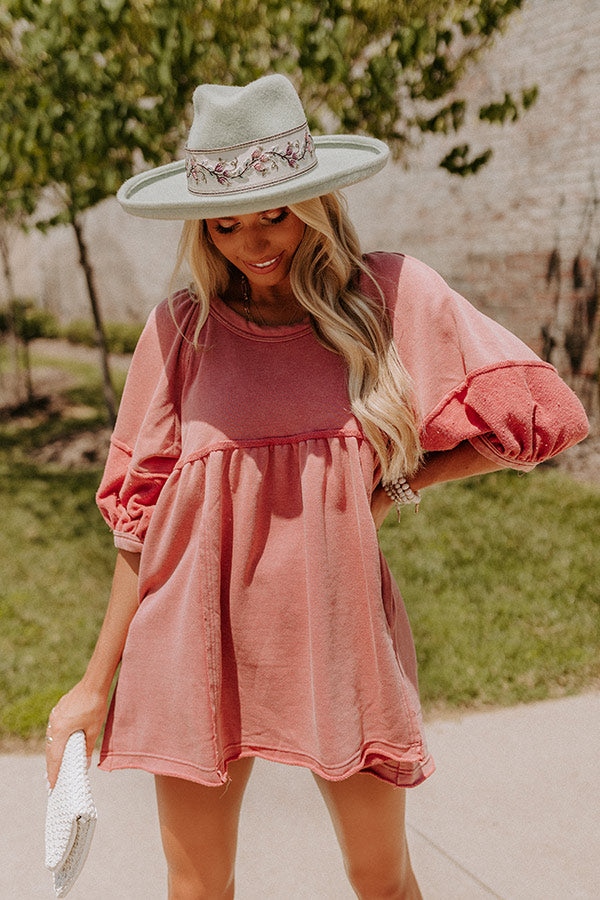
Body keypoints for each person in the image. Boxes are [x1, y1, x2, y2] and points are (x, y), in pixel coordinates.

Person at [45, 74, 589, 900]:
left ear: (316, 202)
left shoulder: (388, 297)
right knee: (196, 888)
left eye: (275, 213)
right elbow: (138, 519)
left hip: (338, 633)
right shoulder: (182, 329)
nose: (253, 243)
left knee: (382, 879)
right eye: (226, 224)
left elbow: (541, 416)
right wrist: (92, 687)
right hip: (193, 638)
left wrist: (396, 489)